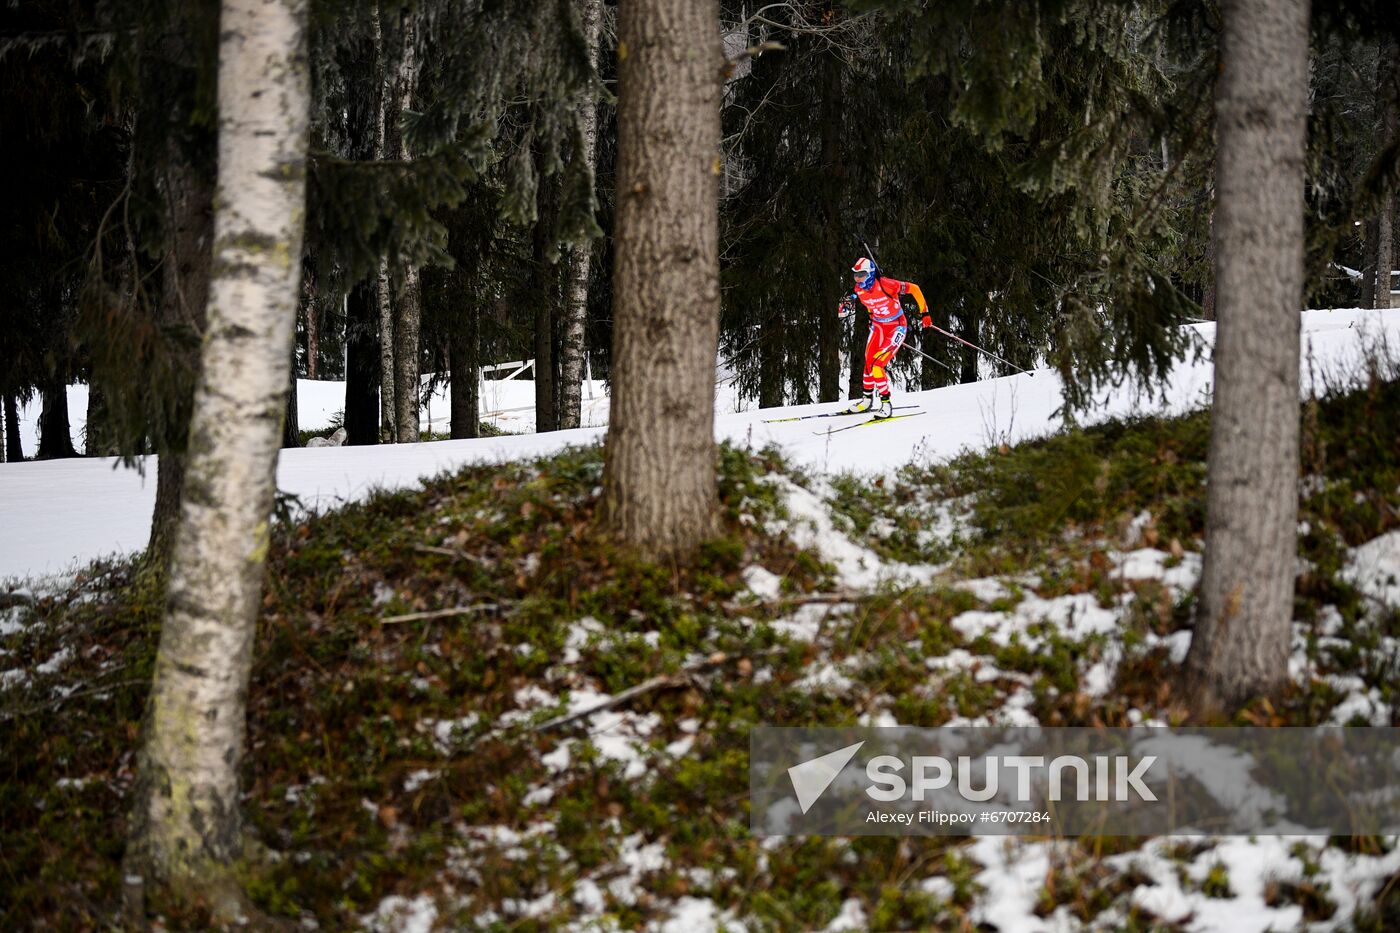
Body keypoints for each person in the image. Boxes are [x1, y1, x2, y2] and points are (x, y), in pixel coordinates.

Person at [837, 257, 932, 418]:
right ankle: (867, 401)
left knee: (877, 365)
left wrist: (925, 313)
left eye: (861, 274)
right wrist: (846, 306)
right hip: (878, 327)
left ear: (870, 273)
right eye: (855, 275)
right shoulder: (858, 289)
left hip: (896, 327)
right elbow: (859, 305)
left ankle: (886, 404)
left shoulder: (887, 284)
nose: (858, 278)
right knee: (868, 363)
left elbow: (914, 289)